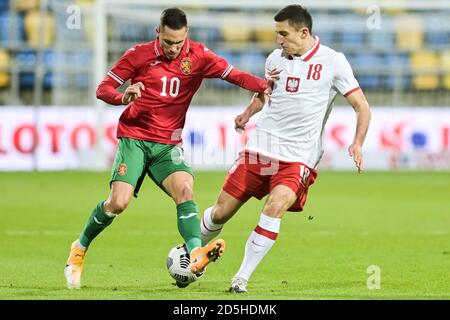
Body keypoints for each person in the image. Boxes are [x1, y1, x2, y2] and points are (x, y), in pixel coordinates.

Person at [64, 7, 274, 289]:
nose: (174, 48)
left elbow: (234, 75)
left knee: (185, 191)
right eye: (168, 42)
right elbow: (103, 89)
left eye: (179, 42)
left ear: (186, 35)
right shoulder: (137, 55)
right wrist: (122, 96)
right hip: (135, 138)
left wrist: (266, 85)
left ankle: (197, 252)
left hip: (168, 143)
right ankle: (79, 248)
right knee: (118, 203)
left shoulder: (199, 55)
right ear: (157, 33)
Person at [200, 5, 372, 293]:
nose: (279, 40)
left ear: (303, 32)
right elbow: (266, 93)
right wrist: (247, 113)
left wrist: (357, 142)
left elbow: (361, 106)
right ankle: (192, 253)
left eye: (284, 34)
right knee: (220, 212)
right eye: (276, 33)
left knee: (275, 206)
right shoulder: (274, 59)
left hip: (298, 157)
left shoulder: (333, 61)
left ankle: (241, 278)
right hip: (261, 146)